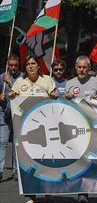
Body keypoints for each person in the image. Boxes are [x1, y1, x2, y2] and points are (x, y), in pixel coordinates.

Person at [8, 56, 56, 203]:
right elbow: (13, 95)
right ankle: (30, 195)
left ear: (38, 65)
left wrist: (53, 95)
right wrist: (12, 94)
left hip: (46, 128)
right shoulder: (19, 82)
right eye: (28, 64)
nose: (30, 66)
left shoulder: (47, 80)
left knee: (47, 161)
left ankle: (48, 193)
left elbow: (55, 96)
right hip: (26, 129)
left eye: (33, 63)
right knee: (29, 162)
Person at [64, 56, 97, 203]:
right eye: (79, 67)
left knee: (92, 160)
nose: (82, 70)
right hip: (75, 129)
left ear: (89, 68)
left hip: (93, 128)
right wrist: (66, 97)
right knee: (79, 160)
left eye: (85, 67)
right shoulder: (69, 83)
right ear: (75, 68)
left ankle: (93, 187)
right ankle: (82, 193)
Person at [1, 54, 21, 181]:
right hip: (4, 113)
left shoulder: (23, 77)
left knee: (16, 143)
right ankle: (0, 170)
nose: (13, 68)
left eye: (15, 65)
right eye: (11, 65)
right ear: (7, 64)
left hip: (18, 114)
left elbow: (21, 92)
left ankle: (16, 170)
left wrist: (10, 82)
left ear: (19, 65)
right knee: (2, 143)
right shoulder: (1, 77)